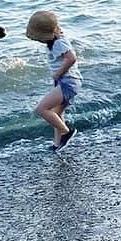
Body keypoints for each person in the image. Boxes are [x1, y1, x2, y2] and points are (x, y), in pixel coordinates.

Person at [25, 10, 81, 150]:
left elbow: (72, 58)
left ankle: (67, 132)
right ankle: (58, 144)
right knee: (56, 113)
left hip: (68, 82)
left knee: (41, 109)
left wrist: (57, 74)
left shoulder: (59, 43)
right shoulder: (55, 40)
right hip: (68, 82)